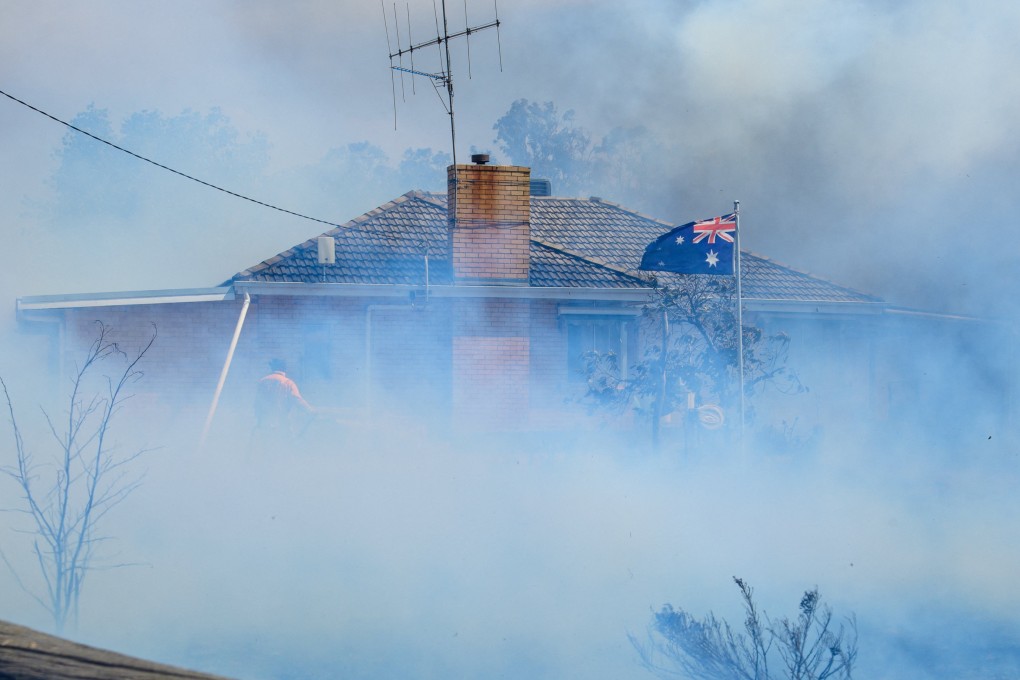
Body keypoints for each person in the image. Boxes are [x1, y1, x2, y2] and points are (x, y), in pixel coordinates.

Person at [254, 358, 313, 437]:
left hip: (265, 424)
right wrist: (310, 410)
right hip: (281, 424)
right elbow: (297, 400)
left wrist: (259, 420)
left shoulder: (263, 381)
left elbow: (257, 403)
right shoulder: (288, 383)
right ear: (284, 368)